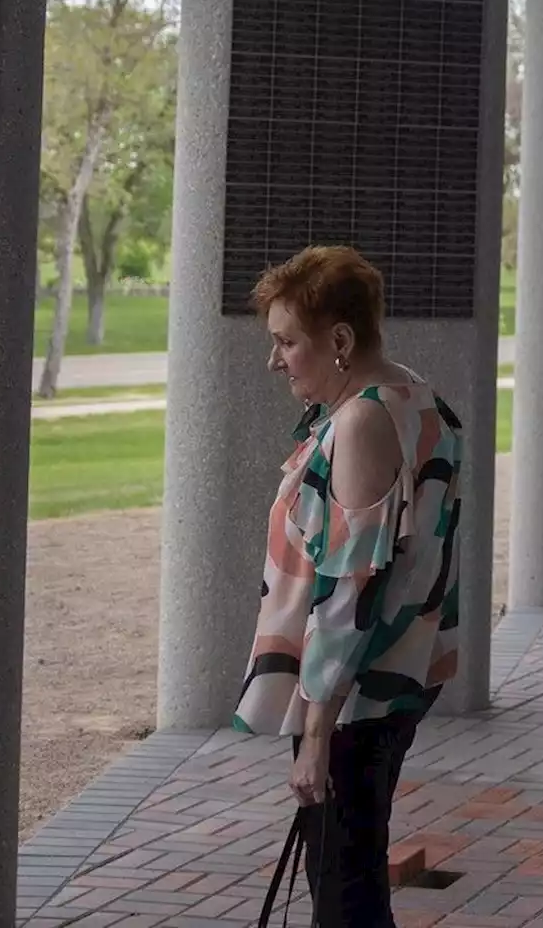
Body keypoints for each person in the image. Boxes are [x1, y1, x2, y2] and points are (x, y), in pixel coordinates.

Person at [235, 246, 463, 927]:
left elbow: (348, 596)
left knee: (343, 889)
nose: (276, 360)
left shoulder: (363, 421)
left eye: (287, 342)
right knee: (350, 870)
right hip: (394, 677)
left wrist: (314, 735)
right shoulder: (413, 393)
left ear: (339, 339)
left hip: (355, 696)